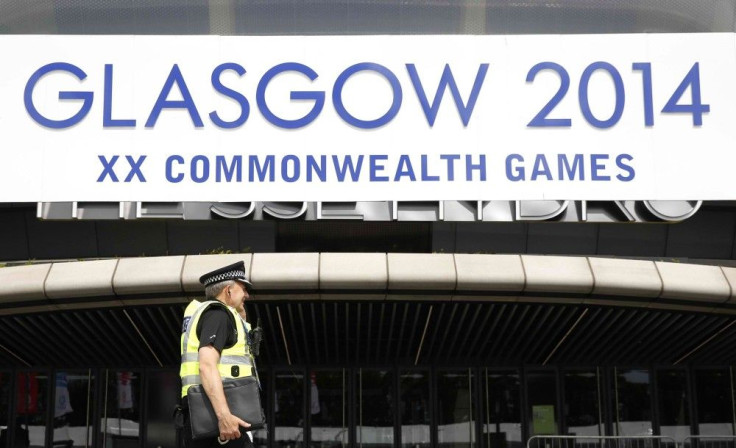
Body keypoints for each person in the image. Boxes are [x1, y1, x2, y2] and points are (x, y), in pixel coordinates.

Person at [180, 261, 257, 448]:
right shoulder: (218, 316)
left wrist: (242, 316)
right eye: (243, 288)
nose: (246, 294)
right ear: (228, 291)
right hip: (219, 421)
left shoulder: (216, 315)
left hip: (210, 415)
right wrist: (224, 417)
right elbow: (207, 364)